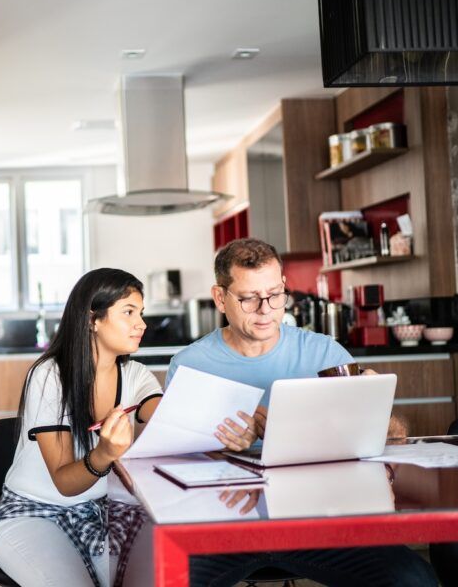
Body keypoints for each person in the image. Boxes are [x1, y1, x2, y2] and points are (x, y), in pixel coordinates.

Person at [167, 238, 434, 587]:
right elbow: (169, 462)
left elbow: (392, 434)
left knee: (413, 579)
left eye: (275, 294)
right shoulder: (189, 365)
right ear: (221, 298)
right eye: (249, 298)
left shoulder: (324, 353)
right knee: (163, 579)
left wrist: (374, 410)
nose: (266, 309)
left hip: (319, 521)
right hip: (223, 527)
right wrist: (220, 446)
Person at [0, 268, 241, 587]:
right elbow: (65, 482)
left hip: (105, 514)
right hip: (34, 514)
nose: (142, 324)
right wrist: (104, 454)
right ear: (93, 319)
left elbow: (172, 419)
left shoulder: (136, 376)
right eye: (128, 312)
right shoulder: (50, 376)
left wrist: (228, 422)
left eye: (141, 313)